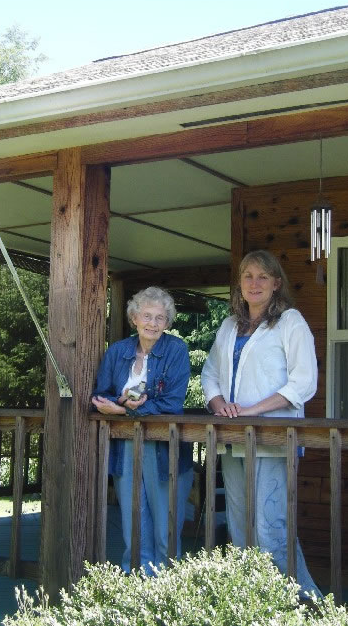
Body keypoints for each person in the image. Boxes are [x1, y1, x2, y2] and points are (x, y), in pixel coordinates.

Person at [201, 250, 322, 597]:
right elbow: (210, 374)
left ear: (276, 283)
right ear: (239, 284)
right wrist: (220, 404)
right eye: (248, 276)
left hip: (272, 440)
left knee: (271, 529)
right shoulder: (228, 326)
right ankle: (252, 604)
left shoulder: (290, 322)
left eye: (262, 277)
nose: (254, 283)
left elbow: (303, 382)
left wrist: (254, 409)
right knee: (240, 529)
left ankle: (300, 604)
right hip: (233, 440)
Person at [92, 286, 194, 574]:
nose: (153, 323)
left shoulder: (176, 350)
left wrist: (124, 410)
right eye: (147, 316)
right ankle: (135, 580)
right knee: (133, 521)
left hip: (164, 446)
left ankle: (166, 587)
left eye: (160, 318)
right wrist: (120, 402)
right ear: (134, 318)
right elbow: (101, 394)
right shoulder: (118, 351)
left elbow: (172, 403)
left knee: (165, 524)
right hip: (125, 444)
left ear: (168, 322)